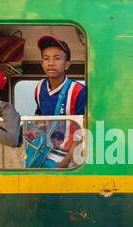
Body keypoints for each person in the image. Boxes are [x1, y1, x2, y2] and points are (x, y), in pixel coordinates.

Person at [34, 35, 86, 167]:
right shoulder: (39, 87)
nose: (51, 63)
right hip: (44, 152)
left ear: (67, 64)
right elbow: (39, 118)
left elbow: (81, 130)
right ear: (41, 63)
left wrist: (67, 161)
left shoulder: (78, 90)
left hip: (69, 157)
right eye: (46, 59)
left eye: (57, 58)